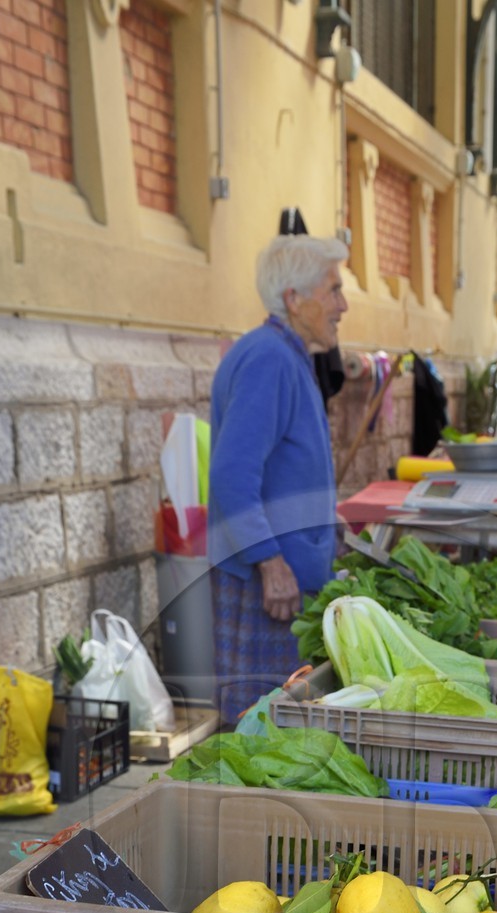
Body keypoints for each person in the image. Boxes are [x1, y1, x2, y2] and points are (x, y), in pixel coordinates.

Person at [207, 234, 349, 725]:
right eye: (333, 291)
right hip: (266, 590)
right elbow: (231, 475)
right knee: (261, 734)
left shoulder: (286, 355)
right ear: (294, 297)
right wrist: (270, 563)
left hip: (283, 586)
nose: (343, 305)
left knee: (279, 738)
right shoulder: (269, 358)